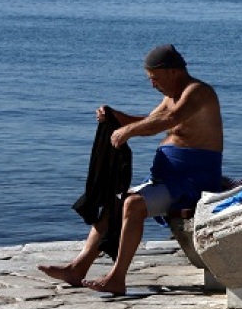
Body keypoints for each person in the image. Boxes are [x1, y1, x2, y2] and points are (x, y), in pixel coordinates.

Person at [39, 45, 224, 295]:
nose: (153, 85)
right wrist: (116, 117)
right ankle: (78, 268)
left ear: (172, 72)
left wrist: (128, 132)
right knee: (114, 202)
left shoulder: (198, 92)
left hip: (191, 181)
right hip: (166, 178)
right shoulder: (171, 97)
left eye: (155, 78)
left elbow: (168, 121)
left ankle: (117, 277)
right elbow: (148, 121)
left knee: (133, 204)